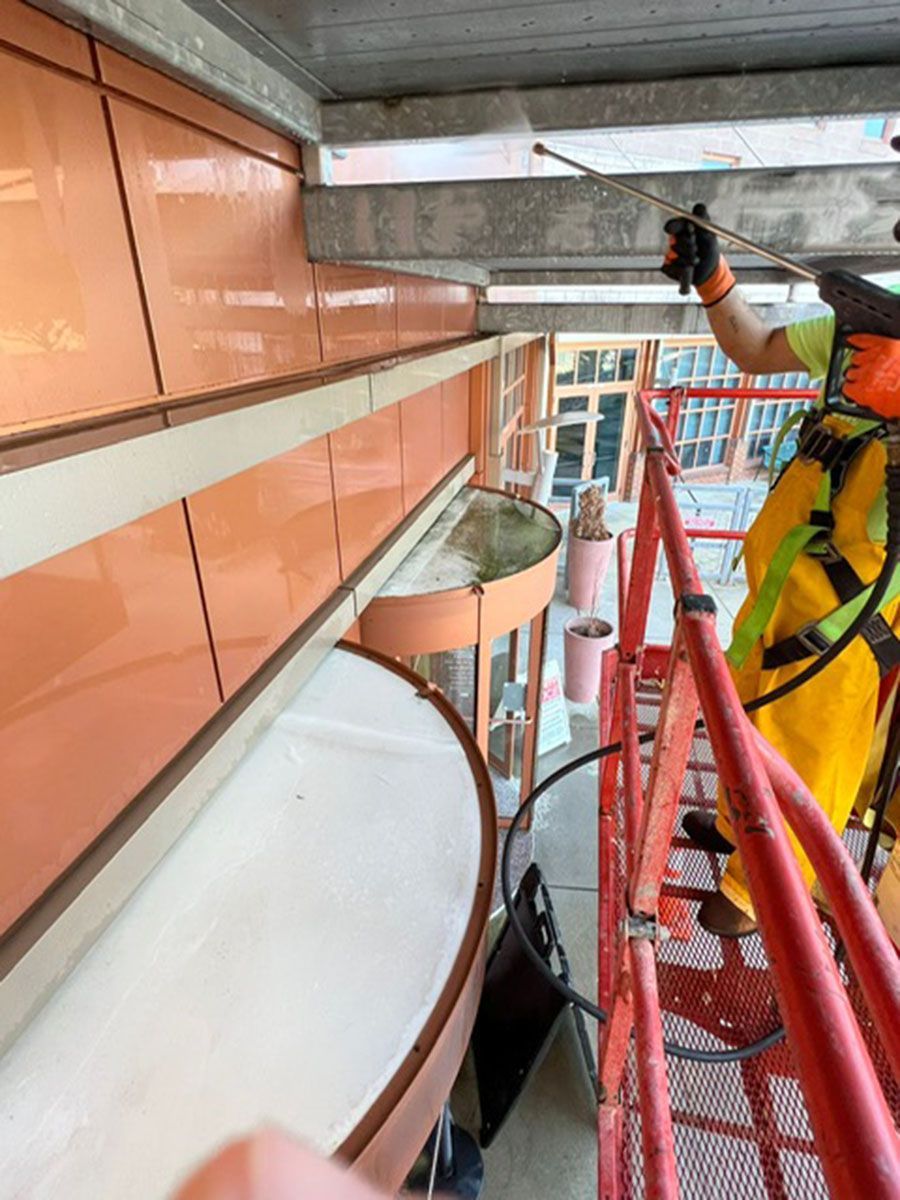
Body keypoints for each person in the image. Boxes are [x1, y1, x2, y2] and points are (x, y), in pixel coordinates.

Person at [661, 207, 900, 936]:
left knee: (811, 735)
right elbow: (757, 345)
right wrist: (714, 280)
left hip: (850, 609)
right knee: (754, 707)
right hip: (784, 582)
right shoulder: (870, 326)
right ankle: (738, 829)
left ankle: (764, 892)